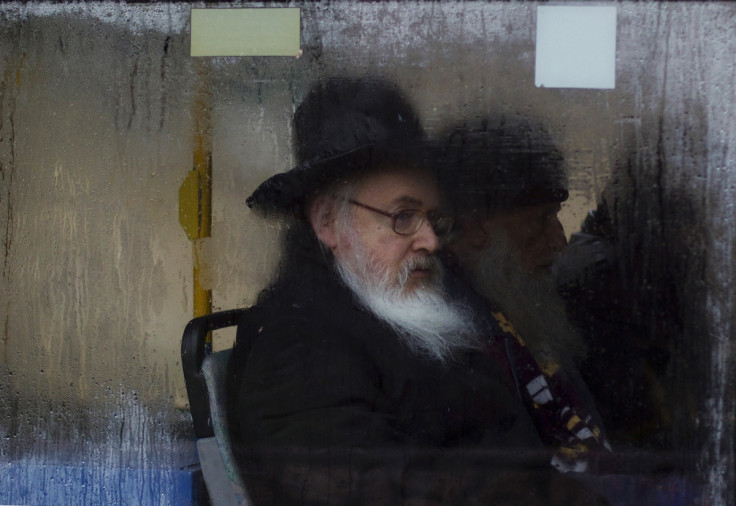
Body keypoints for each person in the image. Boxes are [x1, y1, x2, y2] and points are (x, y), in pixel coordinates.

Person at [226, 79, 608, 505]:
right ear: (328, 222)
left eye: (434, 218)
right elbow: (364, 490)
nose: (430, 239)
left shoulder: (403, 306)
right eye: (403, 216)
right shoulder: (297, 343)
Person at [437, 120, 612, 474]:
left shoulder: (517, 313)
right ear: (476, 225)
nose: (560, 241)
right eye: (541, 218)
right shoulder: (455, 344)